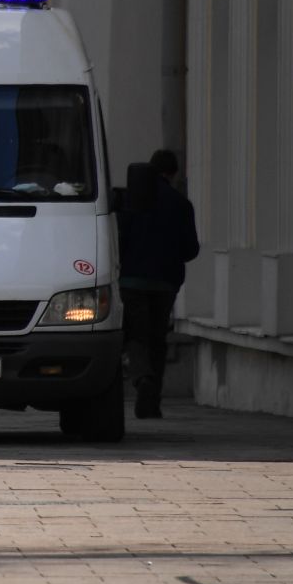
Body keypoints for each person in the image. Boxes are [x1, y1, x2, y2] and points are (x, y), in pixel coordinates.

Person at [117, 149, 201, 419]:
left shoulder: (129, 200)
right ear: (173, 174)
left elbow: (119, 241)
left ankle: (143, 378)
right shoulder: (181, 204)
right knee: (157, 339)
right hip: (165, 283)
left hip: (131, 281)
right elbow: (190, 250)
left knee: (135, 336)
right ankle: (152, 401)